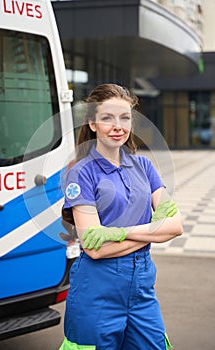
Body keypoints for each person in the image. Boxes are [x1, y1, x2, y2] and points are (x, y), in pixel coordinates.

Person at [60, 84, 183, 350]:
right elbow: (95, 248)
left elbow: (175, 225)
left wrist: (119, 232)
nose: (118, 126)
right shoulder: (81, 173)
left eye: (124, 118)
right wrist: (152, 229)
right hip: (97, 291)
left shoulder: (144, 166)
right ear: (92, 123)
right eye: (107, 118)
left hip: (142, 290)